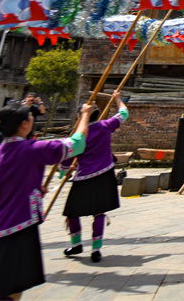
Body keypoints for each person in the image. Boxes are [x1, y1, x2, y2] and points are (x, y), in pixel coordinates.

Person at [0, 97, 95, 300]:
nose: (32, 117)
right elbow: (76, 144)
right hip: (17, 227)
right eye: (30, 115)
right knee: (11, 289)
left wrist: (31, 188)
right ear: (24, 124)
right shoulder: (32, 149)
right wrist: (84, 115)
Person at [63, 90, 129, 262]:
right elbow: (124, 113)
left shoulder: (77, 136)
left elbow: (65, 160)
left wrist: (63, 171)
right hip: (103, 174)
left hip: (84, 176)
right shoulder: (105, 126)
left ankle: (77, 244)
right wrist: (117, 99)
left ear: (81, 116)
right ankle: (96, 248)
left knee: (72, 213)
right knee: (98, 213)